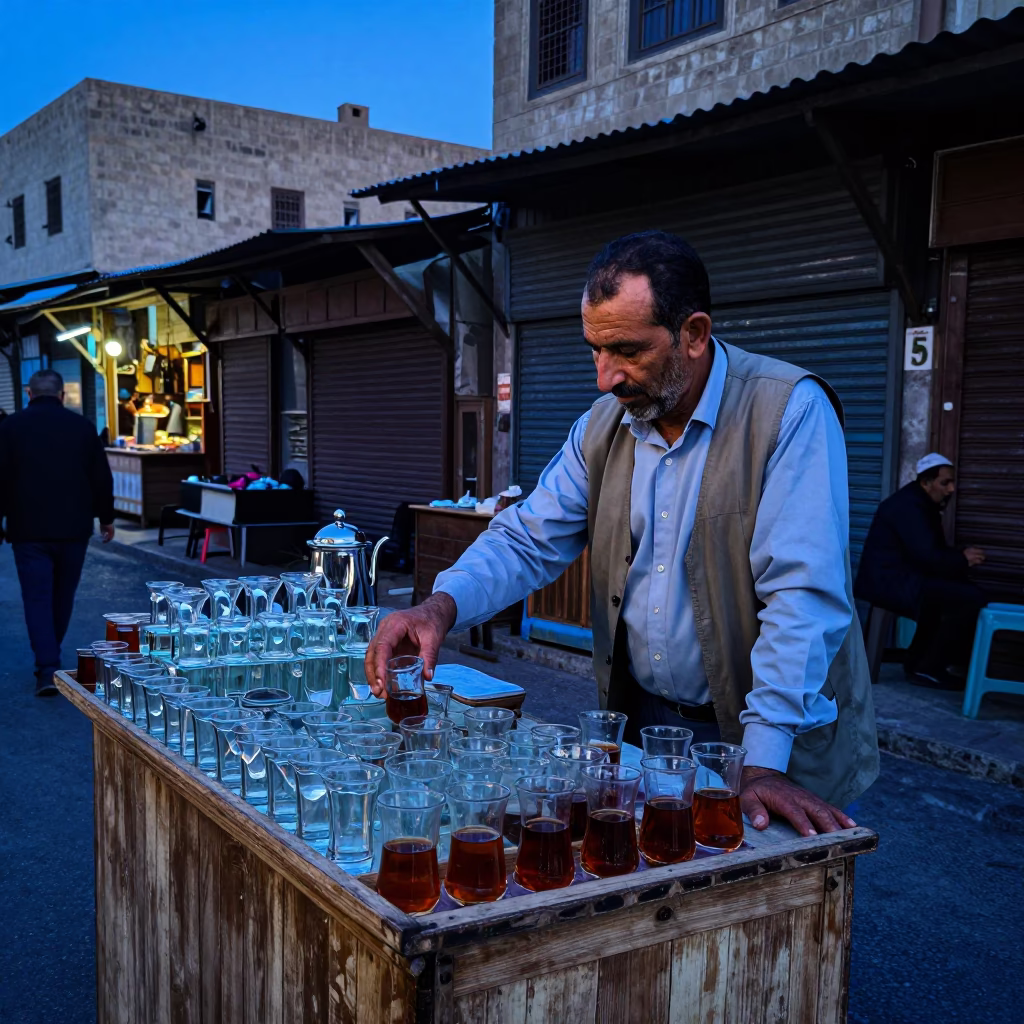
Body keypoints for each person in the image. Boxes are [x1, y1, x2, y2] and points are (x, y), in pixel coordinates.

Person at [369, 231, 878, 838]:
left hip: (766, 734)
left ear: (693, 334)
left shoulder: (789, 411)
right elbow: (528, 537)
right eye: (594, 350)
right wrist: (440, 605)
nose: (605, 377)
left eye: (627, 351)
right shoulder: (604, 424)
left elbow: (802, 598)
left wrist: (763, 764)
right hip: (643, 728)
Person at [0, 368, 116, 696]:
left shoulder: (10, 428)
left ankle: (47, 668)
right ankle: (51, 656)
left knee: (37, 598)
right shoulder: (82, 427)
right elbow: (101, 478)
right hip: (73, 529)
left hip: (28, 529)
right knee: (62, 596)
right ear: (62, 395)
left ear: (28, 393)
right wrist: (106, 517)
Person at [855, 453, 986, 689]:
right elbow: (927, 555)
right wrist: (962, 558)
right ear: (926, 482)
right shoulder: (909, 507)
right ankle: (928, 667)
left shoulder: (920, 503)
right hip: (890, 583)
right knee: (969, 598)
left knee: (957, 592)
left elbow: (929, 552)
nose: (951, 489)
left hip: (903, 578)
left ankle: (920, 662)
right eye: (944, 483)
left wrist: (958, 558)